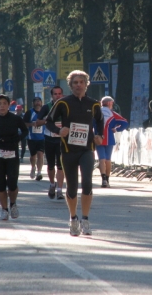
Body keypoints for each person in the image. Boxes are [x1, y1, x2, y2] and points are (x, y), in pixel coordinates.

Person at [45, 70, 104, 236]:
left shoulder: (93, 104)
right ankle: (73, 219)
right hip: (68, 151)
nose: (78, 85)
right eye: (75, 82)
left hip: (87, 150)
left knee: (87, 183)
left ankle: (85, 219)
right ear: (71, 86)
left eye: (81, 82)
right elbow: (48, 122)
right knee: (71, 187)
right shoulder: (63, 103)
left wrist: (99, 135)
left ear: (86, 84)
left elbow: (100, 121)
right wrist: (59, 130)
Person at [0, 94, 28, 220]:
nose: (2, 106)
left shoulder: (15, 118)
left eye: (4, 103)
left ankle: (13, 204)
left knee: (12, 184)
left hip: (12, 153)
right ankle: (4, 209)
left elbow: (25, 131)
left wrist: (18, 138)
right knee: (0, 184)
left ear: (8, 105)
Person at [36, 86, 65, 199]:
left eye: (59, 93)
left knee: (61, 165)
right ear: (51, 95)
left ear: (62, 94)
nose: (57, 96)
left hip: (62, 139)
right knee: (51, 165)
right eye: (55, 94)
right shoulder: (46, 107)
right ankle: (52, 184)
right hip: (49, 139)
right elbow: (38, 122)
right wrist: (48, 121)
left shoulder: (65, 106)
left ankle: (60, 190)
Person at [95, 96, 129, 188]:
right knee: (108, 159)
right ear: (110, 103)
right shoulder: (113, 113)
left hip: (98, 138)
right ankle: (108, 179)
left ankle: (103, 180)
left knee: (101, 159)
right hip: (109, 138)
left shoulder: (96, 112)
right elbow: (125, 122)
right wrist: (116, 129)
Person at [23, 97, 45, 181]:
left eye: (39, 101)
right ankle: (33, 167)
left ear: (41, 103)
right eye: (36, 101)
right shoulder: (29, 112)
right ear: (33, 103)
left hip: (42, 138)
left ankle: (39, 172)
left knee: (40, 154)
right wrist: (31, 124)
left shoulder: (44, 112)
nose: (38, 103)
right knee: (33, 156)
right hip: (31, 138)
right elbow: (23, 124)